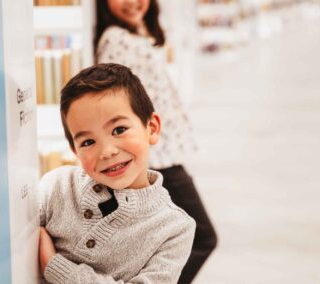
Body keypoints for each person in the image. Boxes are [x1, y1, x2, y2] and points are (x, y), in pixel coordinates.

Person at [95, 1, 218, 282]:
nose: (132, 2)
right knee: (203, 237)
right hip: (157, 157)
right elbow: (117, 108)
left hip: (161, 152)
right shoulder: (116, 39)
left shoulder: (134, 32)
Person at [39, 63, 196, 284]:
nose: (107, 151)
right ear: (75, 150)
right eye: (88, 142)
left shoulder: (175, 229)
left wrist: (53, 265)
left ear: (152, 128)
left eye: (119, 130)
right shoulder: (55, 186)